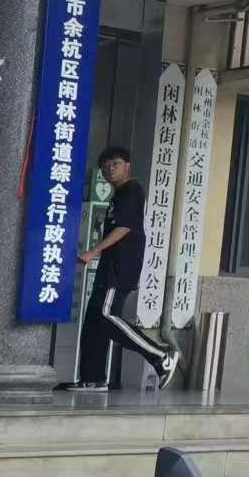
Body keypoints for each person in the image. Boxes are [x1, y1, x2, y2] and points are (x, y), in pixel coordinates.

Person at [68, 146, 180, 392]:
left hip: (120, 268)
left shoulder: (131, 191)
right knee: (94, 322)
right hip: (110, 267)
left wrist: (93, 251)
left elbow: (124, 228)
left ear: (127, 166)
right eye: (105, 165)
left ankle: (160, 355)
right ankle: (93, 378)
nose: (109, 169)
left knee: (106, 317)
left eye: (115, 164)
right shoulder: (118, 195)